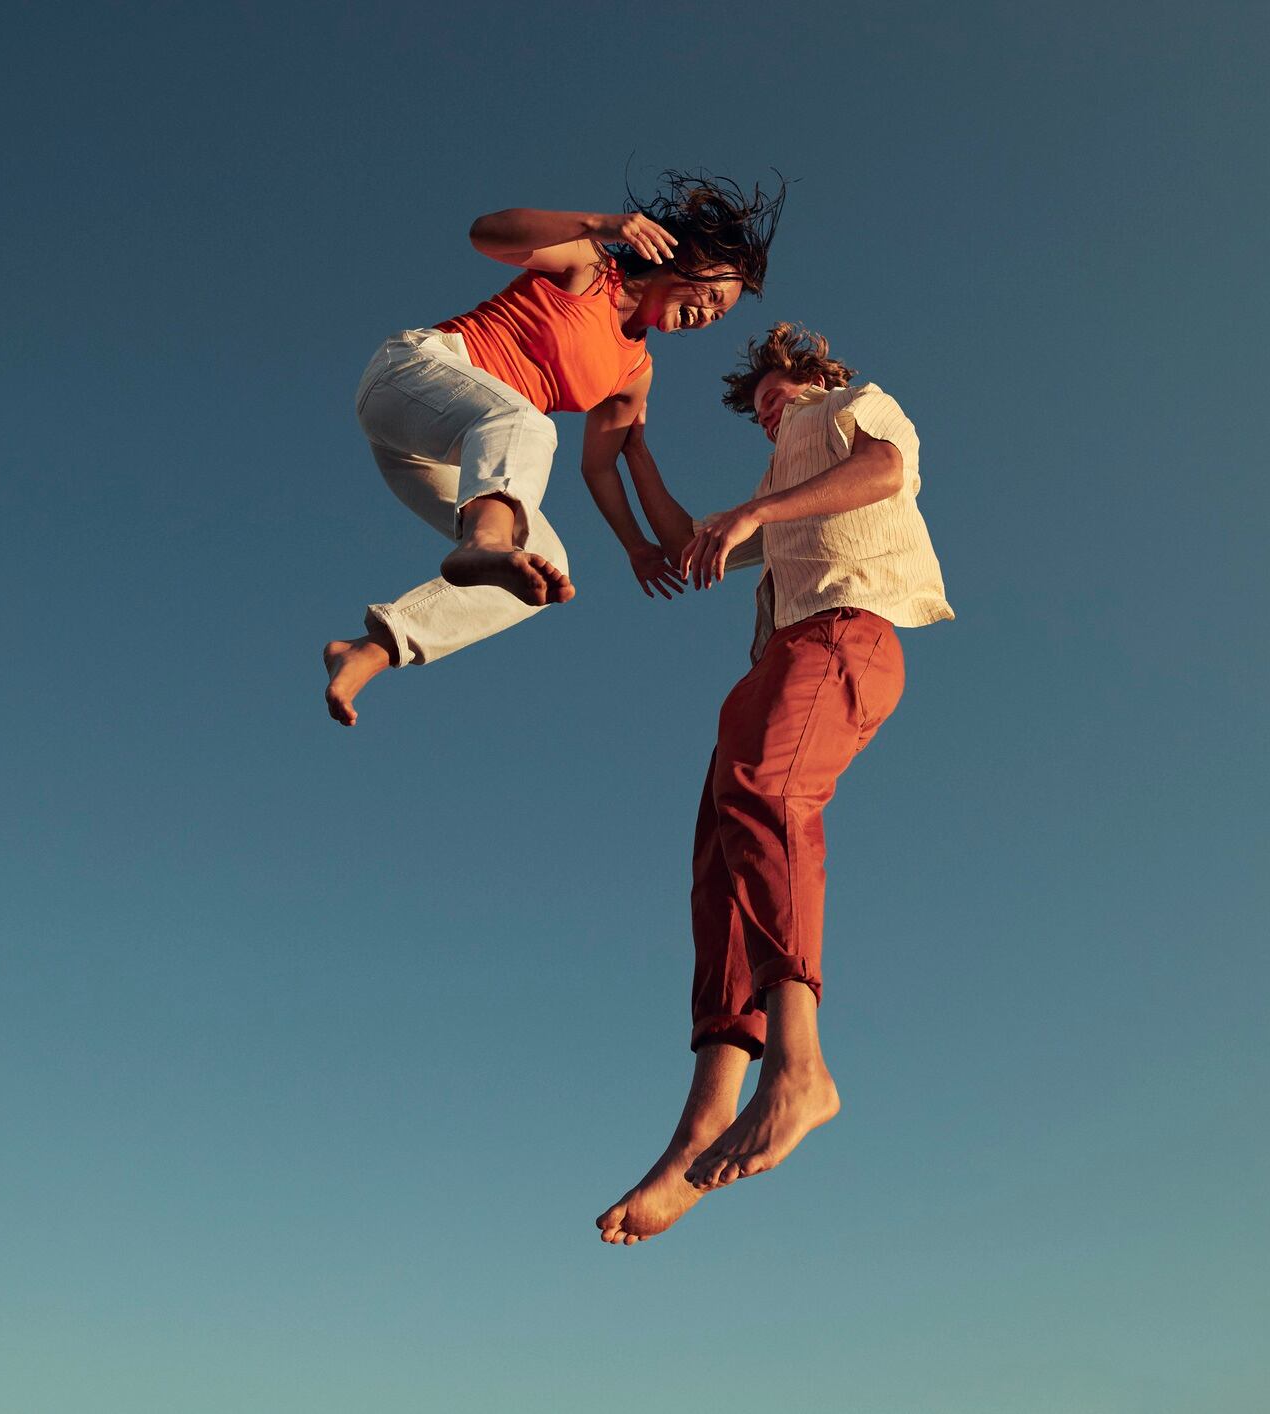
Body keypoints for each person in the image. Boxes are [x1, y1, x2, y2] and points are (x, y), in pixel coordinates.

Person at [595, 323, 955, 1244]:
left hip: (849, 629)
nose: (767, 416)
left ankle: (800, 1071)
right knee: (719, 864)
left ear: (813, 378)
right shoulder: (776, 485)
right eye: (756, 412)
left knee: (765, 792)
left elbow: (882, 474)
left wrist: (757, 513)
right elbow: (688, 538)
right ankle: (699, 1125)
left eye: (774, 399)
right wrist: (637, 453)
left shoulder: (850, 408)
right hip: (781, 656)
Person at [320, 172, 784, 725]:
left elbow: (599, 466)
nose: (708, 315)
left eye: (719, 314)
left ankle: (370, 649)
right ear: (678, 257)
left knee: (544, 566)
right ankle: (486, 541)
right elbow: (485, 234)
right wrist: (602, 224)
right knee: (526, 420)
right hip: (413, 374)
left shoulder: (635, 371)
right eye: (711, 295)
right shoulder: (590, 268)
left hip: (435, 448)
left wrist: (636, 546)